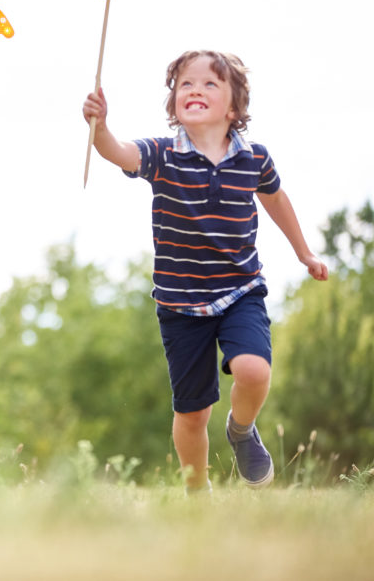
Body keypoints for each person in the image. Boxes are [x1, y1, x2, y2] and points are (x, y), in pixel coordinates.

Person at [82, 50, 328, 492]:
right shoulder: (161, 155)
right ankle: (197, 495)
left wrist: (304, 253)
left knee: (254, 371)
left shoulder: (254, 158)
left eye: (209, 84)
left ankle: (242, 429)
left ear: (233, 108)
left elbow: (276, 200)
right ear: (174, 101)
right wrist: (100, 126)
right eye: (185, 84)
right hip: (179, 301)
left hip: (240, 289)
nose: (194, 89)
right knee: (192, 413)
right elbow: (116, 152)